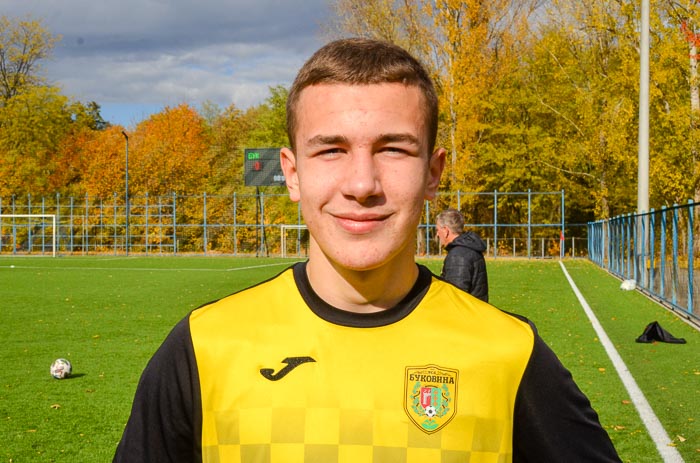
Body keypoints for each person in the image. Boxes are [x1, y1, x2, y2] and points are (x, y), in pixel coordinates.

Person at [113, 38, 621, 463]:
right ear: (292, 172)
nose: (362, 183)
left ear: (434, 173)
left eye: (393, 148)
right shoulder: (205, 347)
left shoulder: (508, 353)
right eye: (331, 149)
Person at [435, 208, 489, 302]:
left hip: (467, 314)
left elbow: (456, 296)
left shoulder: (458, 255)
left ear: (445, 231)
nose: (437, 234)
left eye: (437, 230)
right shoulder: (469, 248)